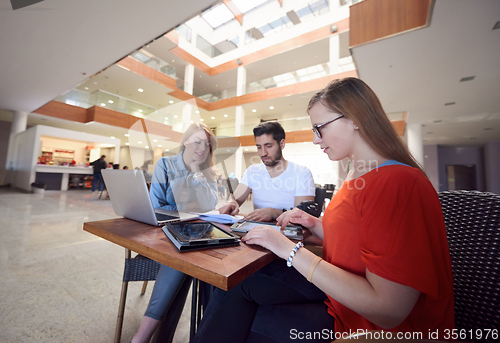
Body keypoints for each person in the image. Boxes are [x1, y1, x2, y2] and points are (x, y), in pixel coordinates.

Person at [192, 77, 455, 342]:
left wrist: (288, 249)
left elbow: (389, 310)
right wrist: (316, 225)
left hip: (370, 328)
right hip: (342, 302)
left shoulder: (397, 183)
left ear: (354, 118)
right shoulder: (358, 177)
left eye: (319, 128)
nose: (316, 140)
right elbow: (361, 243)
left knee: (244, 302)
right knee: (237, 284)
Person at [132, 123, 218, 343]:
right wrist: (189, 207)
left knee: (187, 257)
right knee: (183, 259)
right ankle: (150, 337)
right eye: (197, 141)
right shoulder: (165, 164)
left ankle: (144, 338)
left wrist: (198, 174)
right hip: (161, 236)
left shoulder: (206, 172)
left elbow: (210, 205)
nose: (201, 148)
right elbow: (156, 206)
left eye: (206, 145)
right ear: (186, 141)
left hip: (192, 236)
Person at [219, 121, 315, 221]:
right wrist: (231, 203)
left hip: (287, 233)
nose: (263, 153)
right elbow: (235, 199)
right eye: (259, 147)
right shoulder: (252, 171)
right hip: (257, 230)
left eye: (268, 146)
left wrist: (274, 213)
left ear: (282, 144)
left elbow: (303, 216)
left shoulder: (301, 173)